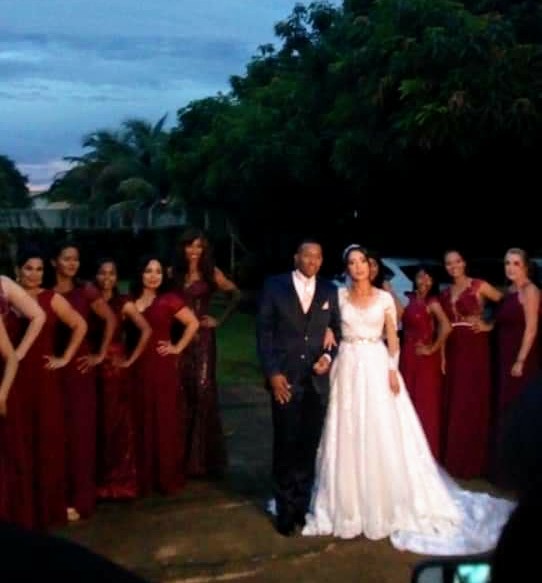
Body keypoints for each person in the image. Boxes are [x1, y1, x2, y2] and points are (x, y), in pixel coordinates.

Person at [302, 244, 513, 555]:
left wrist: (391, 368)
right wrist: (328, 335)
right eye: (352, 262)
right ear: (347, 268)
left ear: (370, 267)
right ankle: (347, 502)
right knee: (346, 430)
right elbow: (322, 322)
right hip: (347, 365)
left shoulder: (384, 298)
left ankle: (385, 500)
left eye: (362, 262)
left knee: (381, 429)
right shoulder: (338, 296)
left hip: (376, 364)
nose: (358, 267)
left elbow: (393, 337)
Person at [256, 239, 341, 536]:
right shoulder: (274, 285)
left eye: (318, 257)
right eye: (307, 255)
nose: (312, 261)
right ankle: (284, 508)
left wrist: (328, 357)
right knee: (285, 444)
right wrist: (272, 373)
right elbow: (264, 333)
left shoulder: (329, 289)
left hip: (316, 382)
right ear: (296, 258)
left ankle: (301, 506)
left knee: (308, 445)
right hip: (285, 379)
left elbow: (337, 330)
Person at [171, 227, 240, 478]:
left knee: (202, 391)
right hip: (177, 336)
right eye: (190, 245)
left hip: (202, 339)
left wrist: (219, 320)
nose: (194, 250)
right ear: (183, 247)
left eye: (199, 246)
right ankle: (178, 457)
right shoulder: (173, 273)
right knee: (179, 391)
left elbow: (236, 294)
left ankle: (202, 460)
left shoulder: (212, 273)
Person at [439, 249, 502, 479]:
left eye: (457, 261)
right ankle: (455, 460)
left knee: (473, 400)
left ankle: (474, 462)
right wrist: (443, 356)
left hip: (475, 347)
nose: (453, 266)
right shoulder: (445, 293)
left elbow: (506, 304)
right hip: (454, 348)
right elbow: (443, 327)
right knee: (456, 401)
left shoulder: (479, 285)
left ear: (464, 263)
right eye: (449, 263)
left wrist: (489, 325)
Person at [93, 258, 152, 500]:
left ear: (117, 278)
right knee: (95, 422)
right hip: (91, 365)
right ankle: (96, 478)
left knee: (115, 422)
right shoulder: (90, 300)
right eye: (102, 273)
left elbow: (146, 329)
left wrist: (130, 360)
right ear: (95, 275)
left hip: (115, 368)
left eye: (112, 273)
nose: (107, 278)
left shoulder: (123, 302)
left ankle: (119, 480)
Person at [400, 264, 451, 459]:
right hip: (407, 356)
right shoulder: (411, 298)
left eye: (429, 278)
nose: (424, 281)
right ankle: (407, 451)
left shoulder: (432, 301)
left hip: (424, 360)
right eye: (421, 276)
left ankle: (425, 454)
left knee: (424, 404)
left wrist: (433, 348)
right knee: (407, 401)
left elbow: (446, 326)